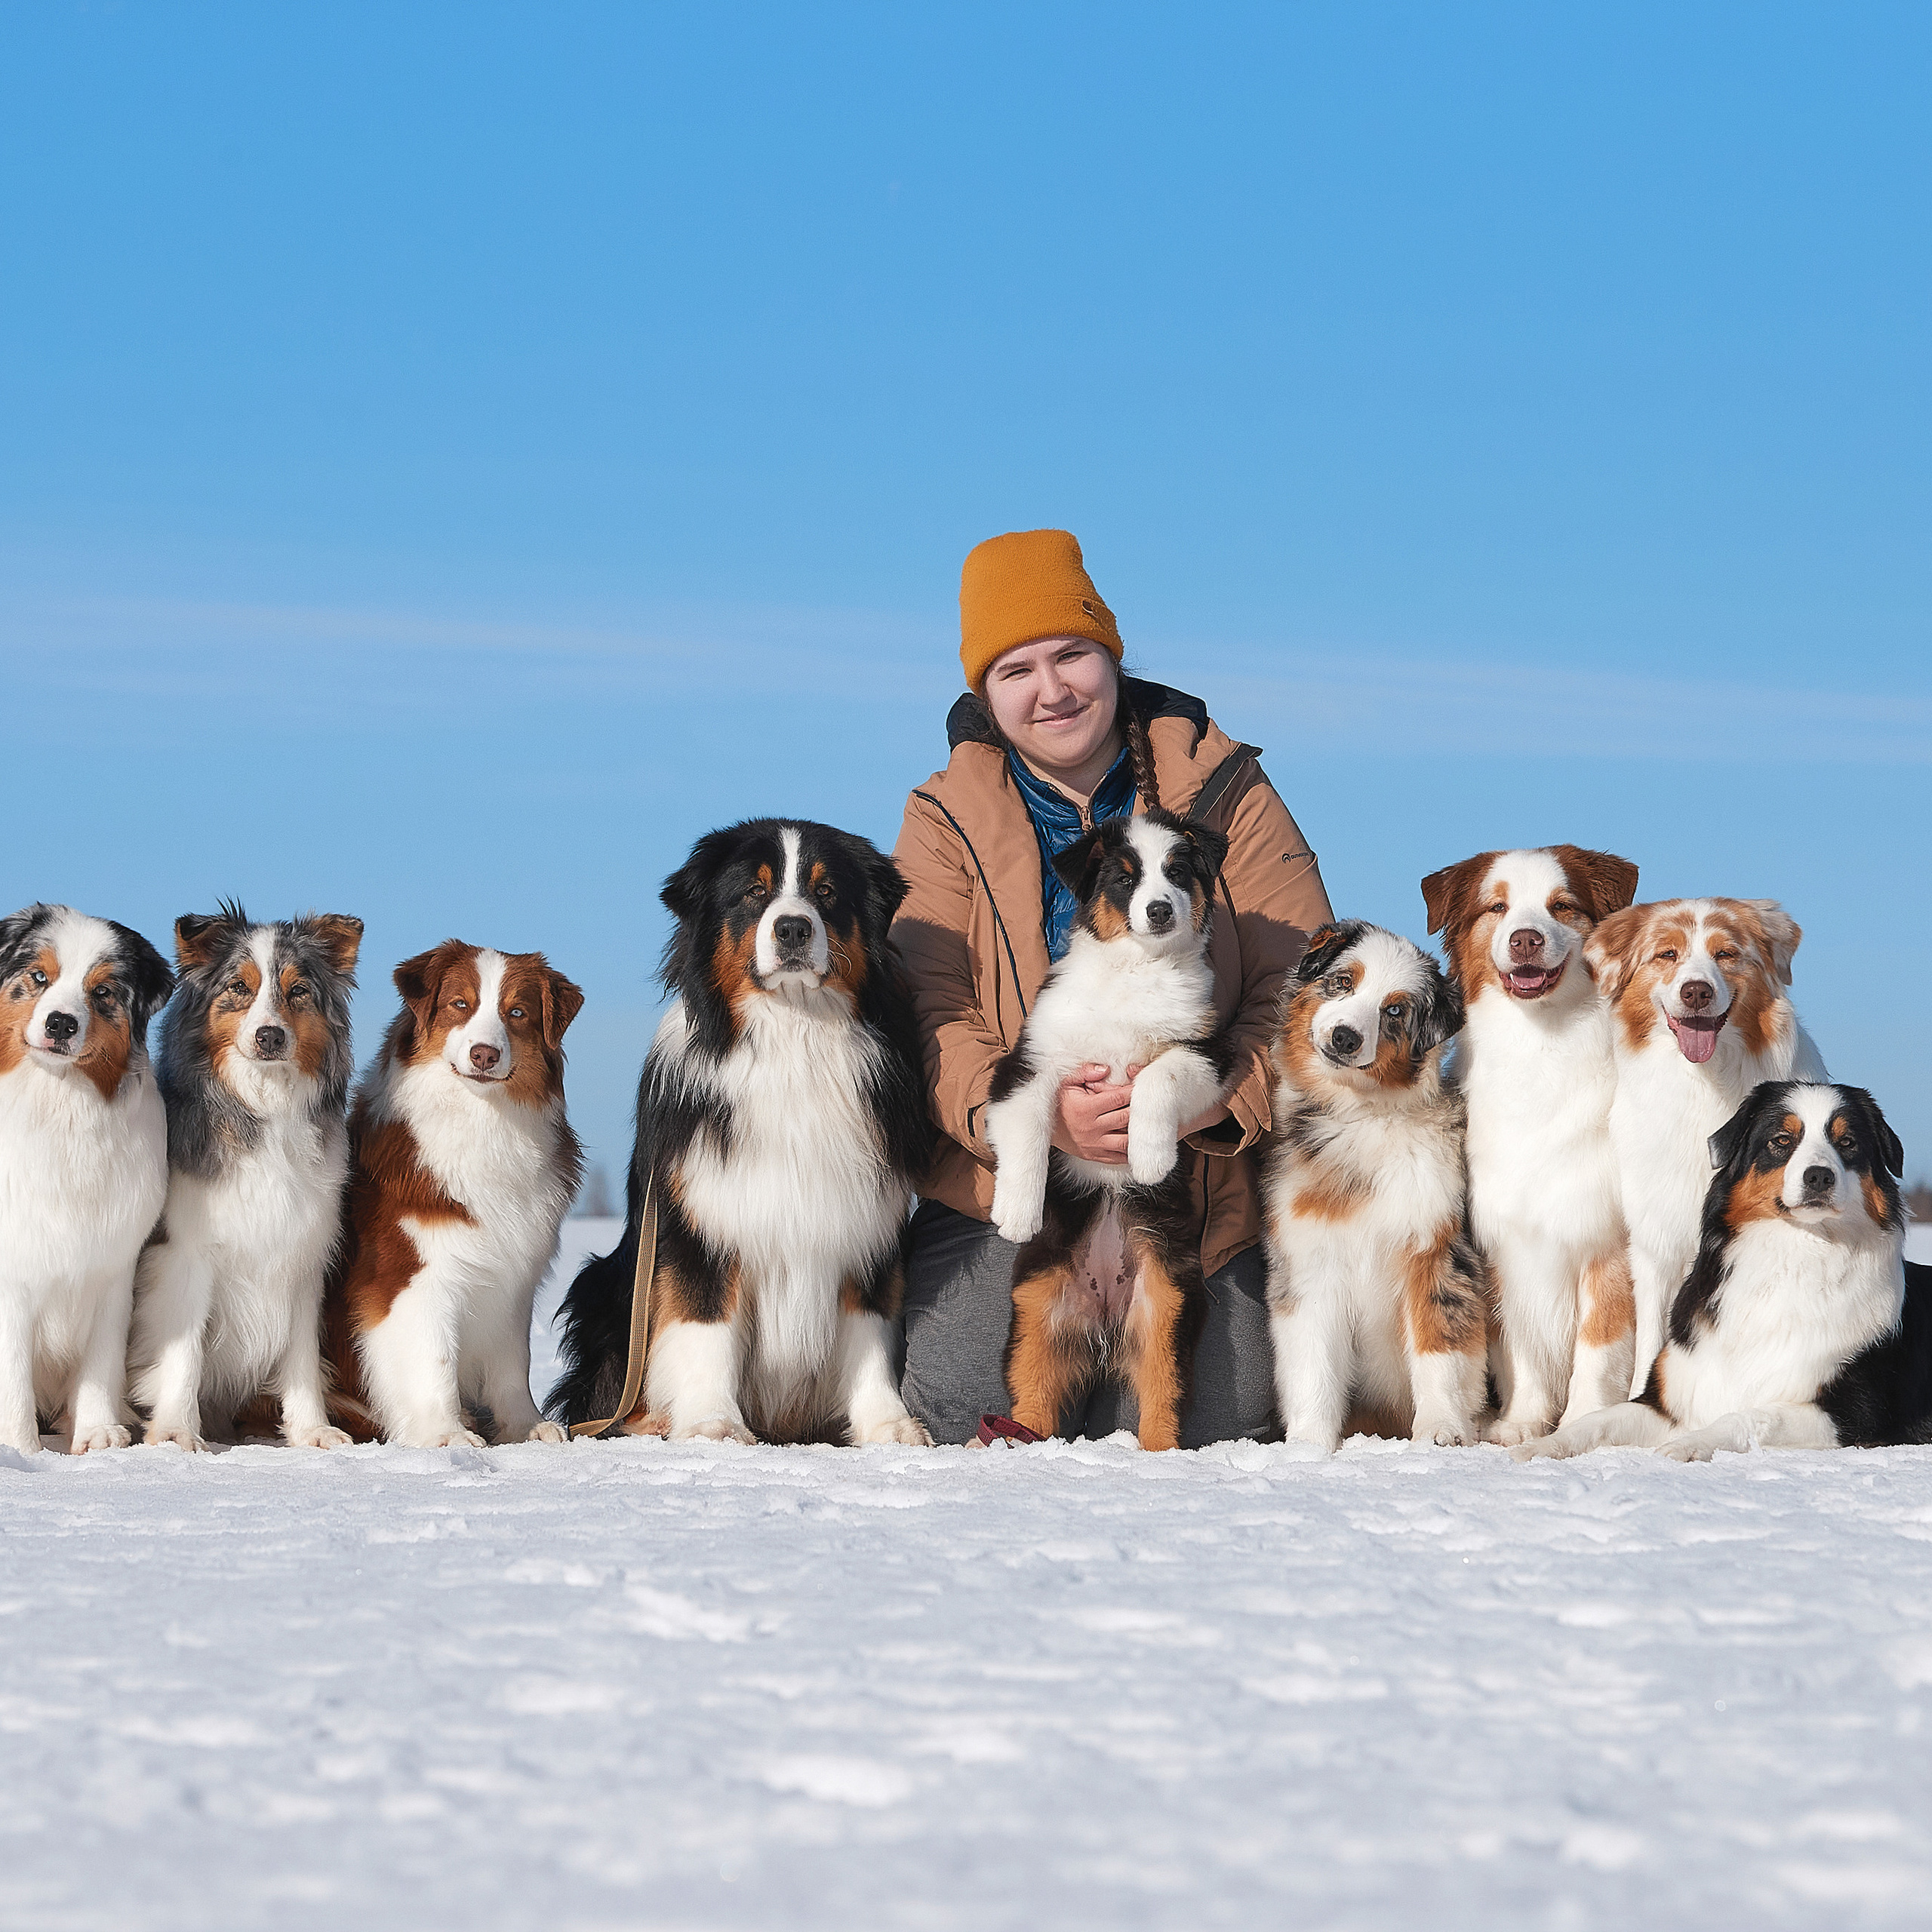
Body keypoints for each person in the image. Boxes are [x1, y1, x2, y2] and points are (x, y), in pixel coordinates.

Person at [891, 528, 1334, 1445]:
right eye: (1015, 669)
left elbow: (1298, 986)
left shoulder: (1225, 787)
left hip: (1195, 1187)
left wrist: (1212, 1104)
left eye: (1071, 654)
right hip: (1006, 1178)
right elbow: (928, 1008)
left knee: (1214, 1414)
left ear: (1111, 655)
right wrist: (1029, 1118)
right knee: (960, 1406)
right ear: (985, 692)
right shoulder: (944, 811)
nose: (1051, 689)